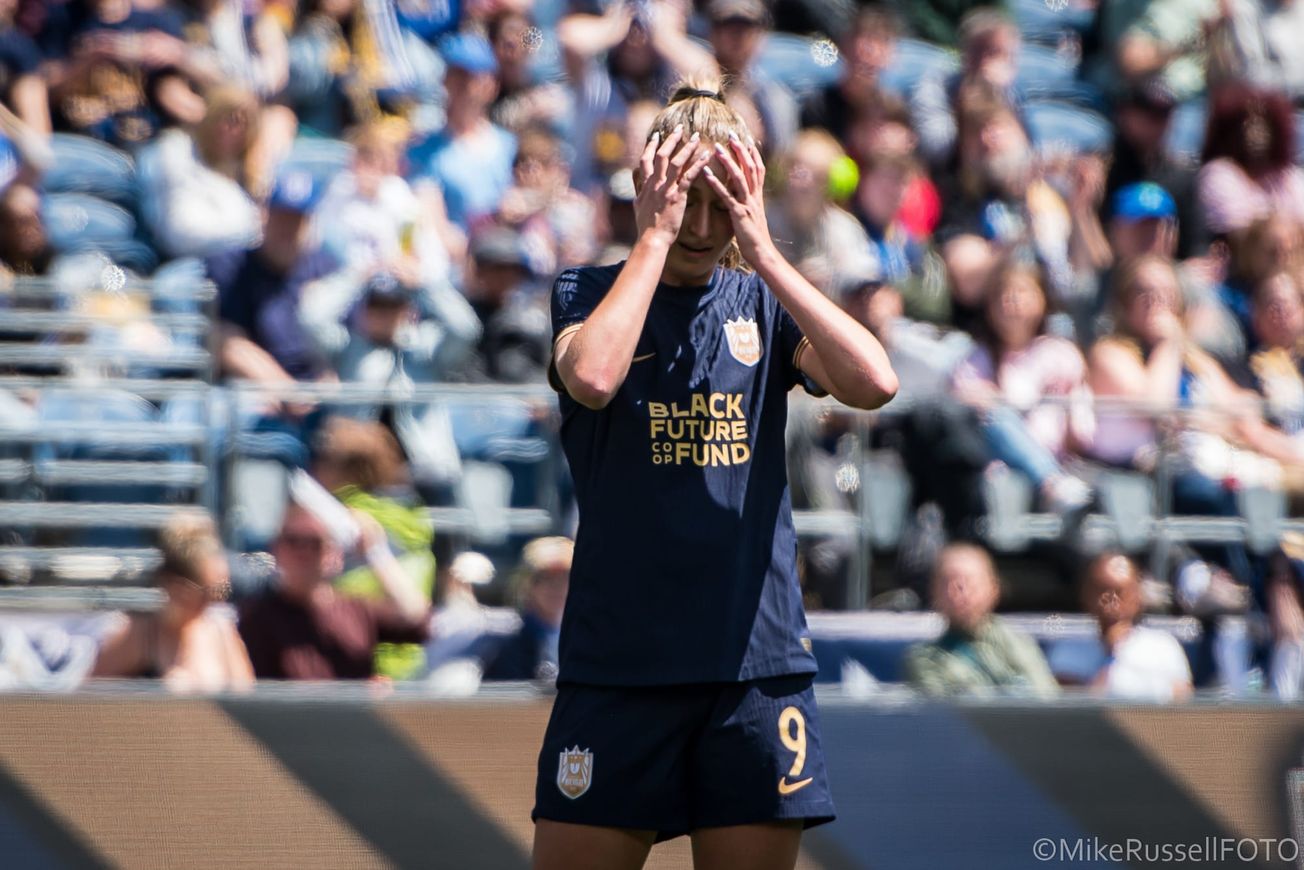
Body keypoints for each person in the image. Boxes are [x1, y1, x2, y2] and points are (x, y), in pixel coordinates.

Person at [533, 75, 897, 870]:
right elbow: (594, 377)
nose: (702, 225)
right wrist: (653, 240)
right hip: (620, 668)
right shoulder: (585, 292)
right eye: (685, 198)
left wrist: (763, 250)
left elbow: (874, 381)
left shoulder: (762, 302)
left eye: (719, 201)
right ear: (647, 186)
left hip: (753, 674)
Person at [950, 259, 1095, 513]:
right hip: (999, 465)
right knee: (995, 415)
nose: (1012, 302)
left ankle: (1052, 480)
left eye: (1022, 293)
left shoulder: (1060, 353)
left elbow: (1081, 427)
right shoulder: (977, 358)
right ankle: (1050, 482)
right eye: (1004, 295)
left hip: (1061, 459)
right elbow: (969, 402)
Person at [236, 501, 431, 680]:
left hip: (353, 717)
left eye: (315, 542)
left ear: (335, 555)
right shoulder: (255, 618)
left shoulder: (357, 611)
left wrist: (375, 551)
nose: (303, 551)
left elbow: (414, 614)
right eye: (292, 540)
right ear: (276, 548)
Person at [91, 511, 254, 693]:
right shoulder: (139, 636)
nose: (217, 600)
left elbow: (248, 703)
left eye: (222, 590)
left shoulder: (220, 631)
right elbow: (86, 701)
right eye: (207, 593)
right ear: (175, 587)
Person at [903, 543, 1059, 698]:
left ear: (993, 589)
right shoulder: (925, 660)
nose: (959, 592)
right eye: (948, 582)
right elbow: (950, 712)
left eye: (970, 581)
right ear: (934, 591)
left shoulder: (1016, 641)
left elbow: (1046, 696)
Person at [138, 86, 263, 259]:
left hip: (236, 263)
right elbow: (180, 235)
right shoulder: (176, 151)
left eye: (244, 123)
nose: (231, 129)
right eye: (226, 118)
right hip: (186, 264)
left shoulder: (248, 171)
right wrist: (251, 232)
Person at [1082, 551, 1193, 701]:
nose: (1111, 602)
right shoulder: (1070, 648)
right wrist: (1110, 651)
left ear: (1136, 596)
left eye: (1120, 593)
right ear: (1087, 595)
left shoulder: (1163, 646)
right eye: (1102, 591)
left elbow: (1182, 700)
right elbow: (1067, 713)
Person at [482, 536, 573, 681]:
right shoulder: (506, 644)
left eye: (565, 578)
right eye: (545, 578)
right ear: (527, 585)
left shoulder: (589, 639)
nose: (556, 587)